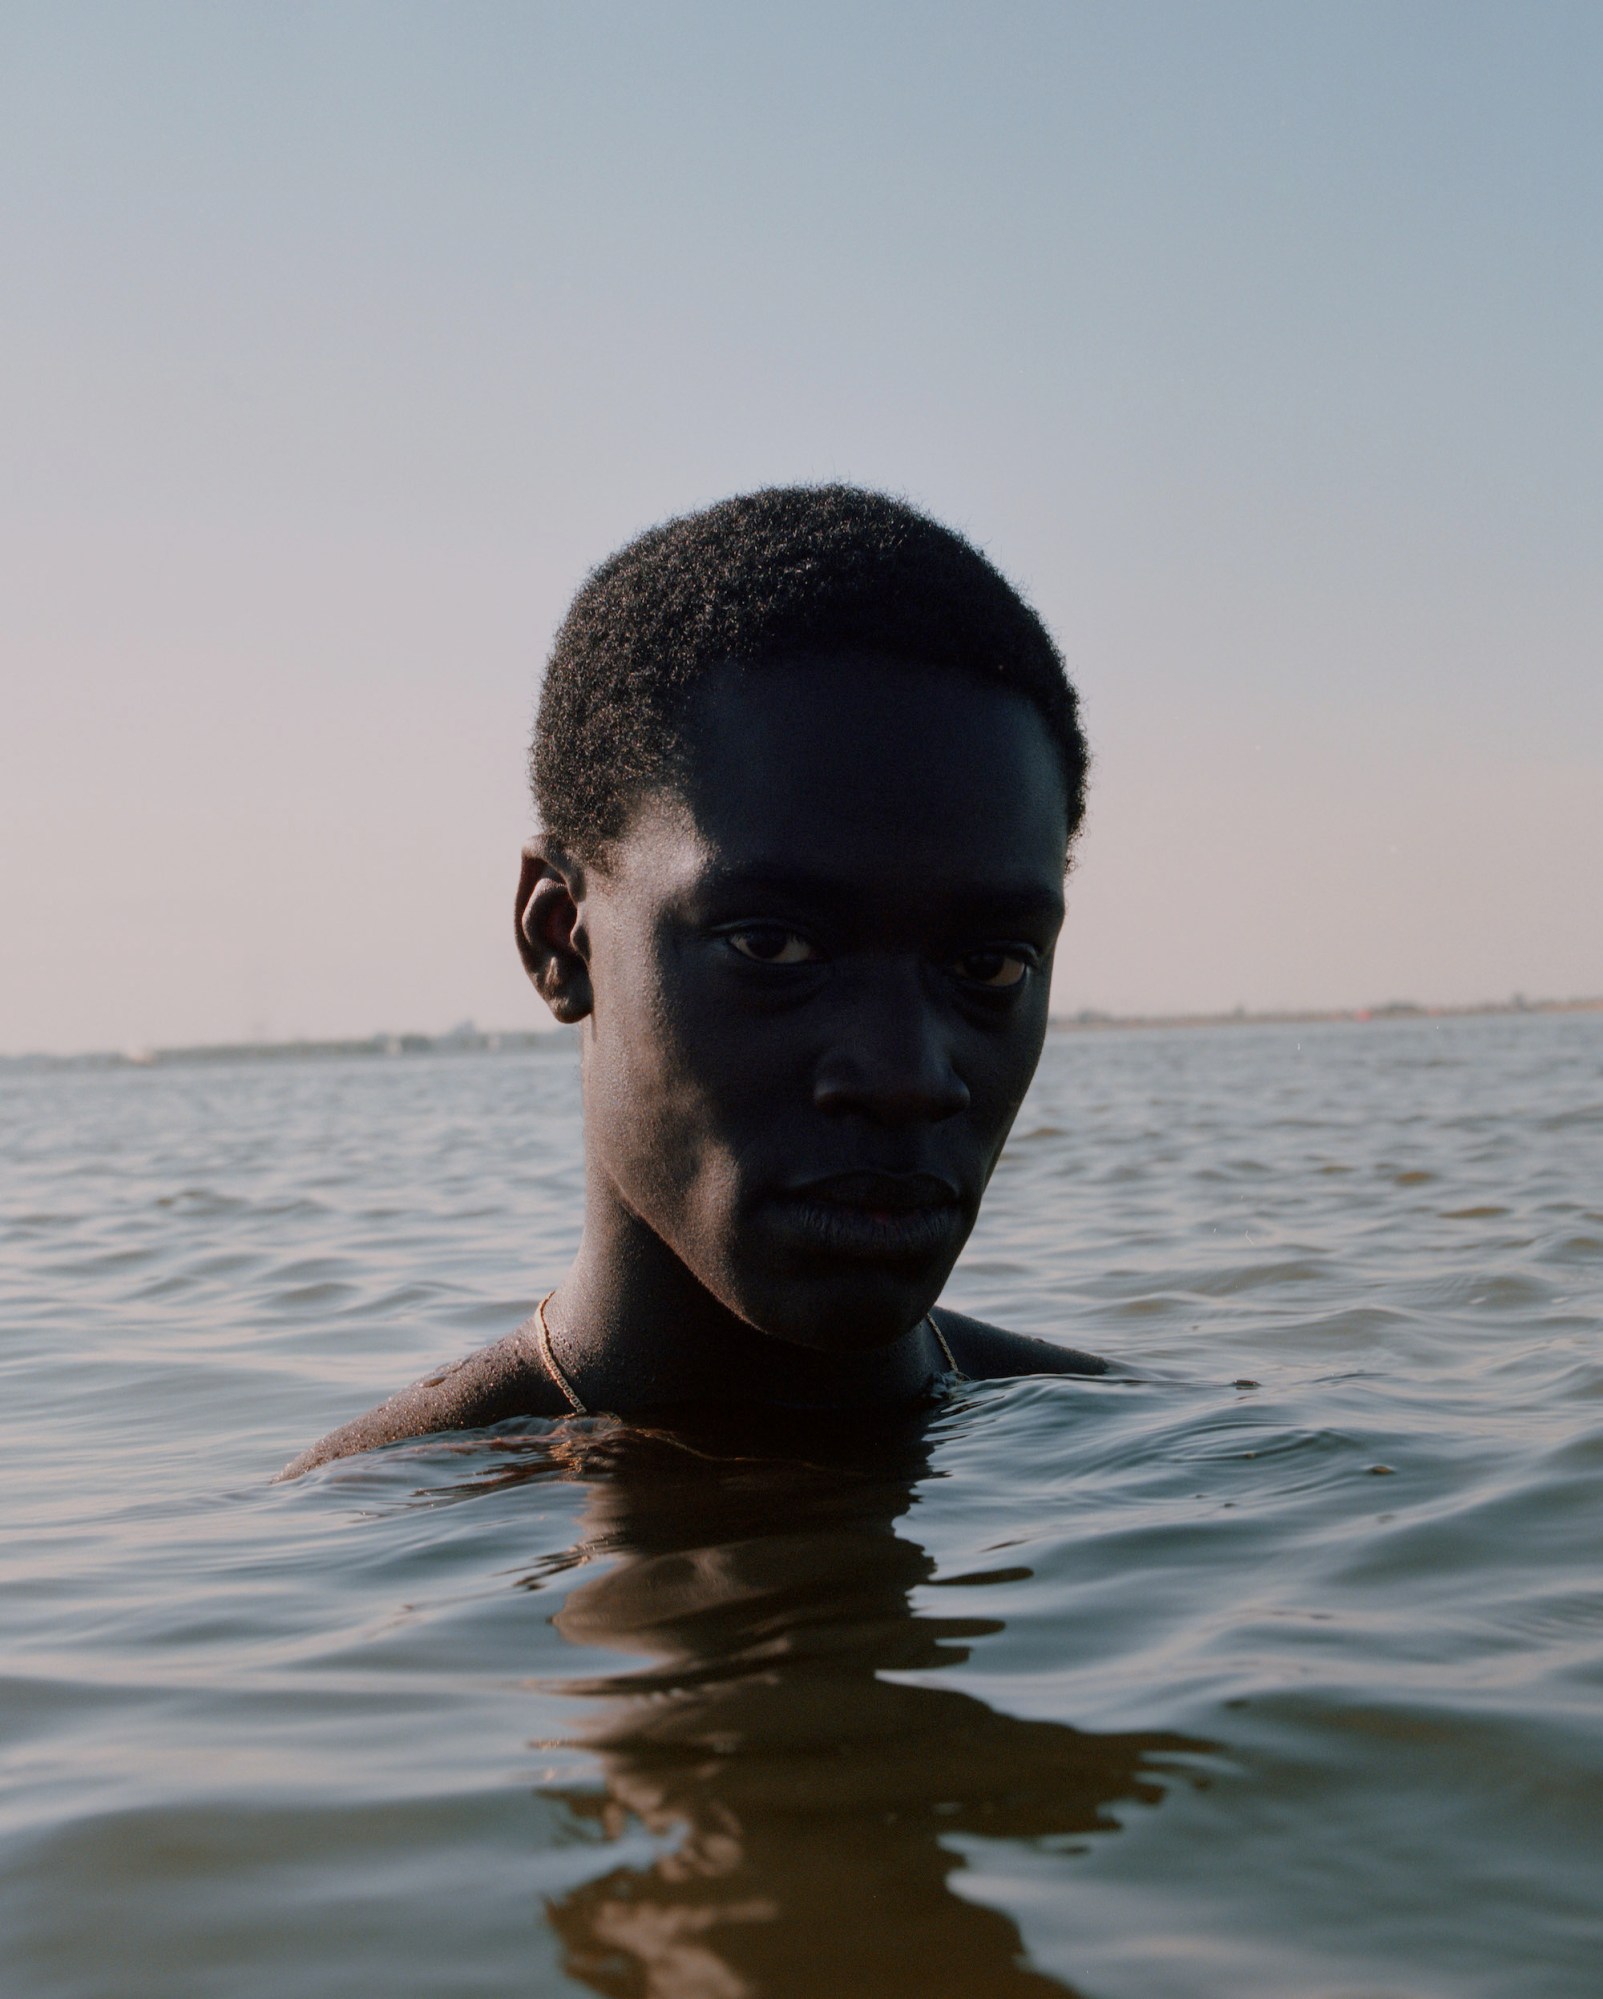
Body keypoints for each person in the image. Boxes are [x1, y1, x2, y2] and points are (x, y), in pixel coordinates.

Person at [283, 485, 1107, 1477]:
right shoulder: (374, 1550)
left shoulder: (1155, 1477)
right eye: (774, 948)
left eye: (987, 966)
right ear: (561, 940)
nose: (904, 1076)